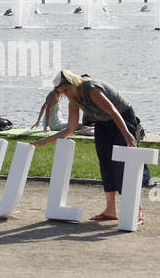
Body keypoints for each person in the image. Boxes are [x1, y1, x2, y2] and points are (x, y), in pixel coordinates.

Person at [36, 69, 148, 223]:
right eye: (63, 92)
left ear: (73, 83)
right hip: (102, 123)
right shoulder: (74, 100)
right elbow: (70, 129)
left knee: (123, 166)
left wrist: (128, 136)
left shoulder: (91, 89)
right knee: (106, 163)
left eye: (67, 90)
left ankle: (137, 210)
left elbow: (113, 111)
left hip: (122, 119)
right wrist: (42, 142)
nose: (66, 94)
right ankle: (110, 210)